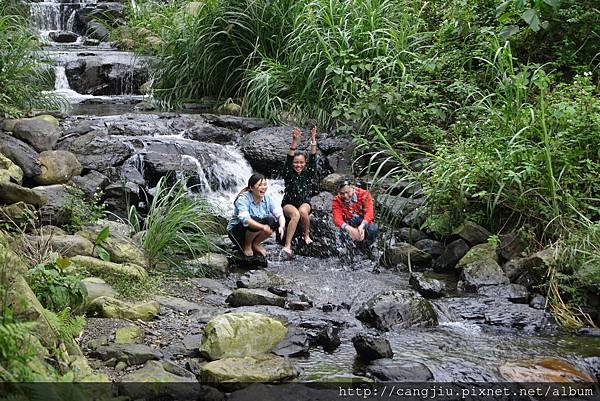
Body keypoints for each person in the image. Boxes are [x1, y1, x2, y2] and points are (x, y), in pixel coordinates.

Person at [227, 173, 286, 257]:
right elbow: (246, 219)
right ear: (251, 188)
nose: (263, 187)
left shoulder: (267, 198)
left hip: (253, 232)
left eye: (265, 185)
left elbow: (280, 214)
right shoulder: (243, 199)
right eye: (260, 185)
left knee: (273, 221)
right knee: (255, 219)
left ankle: (255, 244)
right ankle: (247, 245)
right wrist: (262, 227)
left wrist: (281, 226)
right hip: (236, 233)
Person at [281, 125, 318, 257]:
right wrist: (294, 142)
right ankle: (287, 245)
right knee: (296, 214)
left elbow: (313, 159)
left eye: (301, 163)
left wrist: (313, 139)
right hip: (288, 203)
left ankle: (306, 234)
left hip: (304, 202)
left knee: (302, 211)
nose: (299, 165)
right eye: (296, 163)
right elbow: (288, 159)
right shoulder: (288, 173)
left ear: (304, 163)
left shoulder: (308, 174)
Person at [331, 178, 379, 244]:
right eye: (341, 193)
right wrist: (351, 230)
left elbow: (369, 213)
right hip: (348, 224)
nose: (345, 196)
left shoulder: (364, 194)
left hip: (362, 222)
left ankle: (366, 245)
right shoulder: (336, 201)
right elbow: (337, 219)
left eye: (347, 192)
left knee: (373, 229)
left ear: (353, 187)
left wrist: (362, 226)